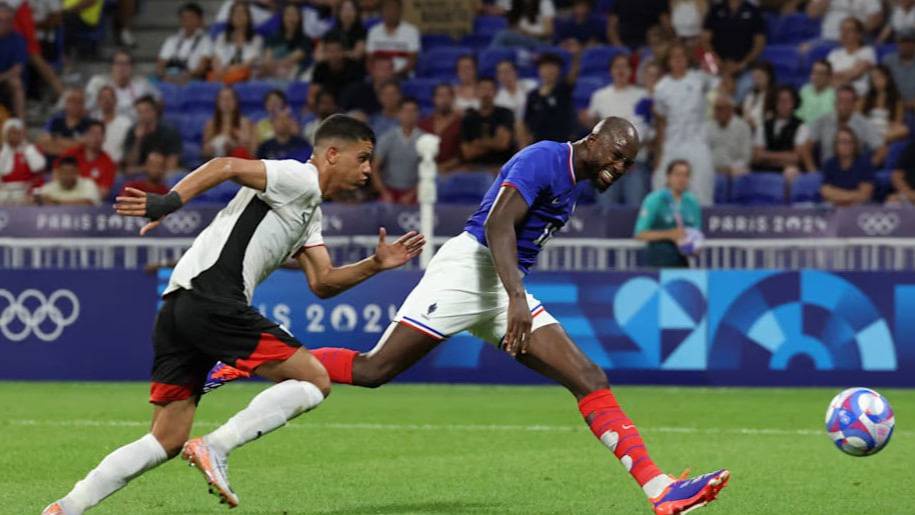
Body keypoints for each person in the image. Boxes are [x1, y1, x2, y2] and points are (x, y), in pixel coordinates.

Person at [210, 117, 730, 515]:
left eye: (628, 164)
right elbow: (500, 225)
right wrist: (518, 299)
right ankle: (247, 360)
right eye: (616, 156)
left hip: (501, 284)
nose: (619, 168)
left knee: (588, 378)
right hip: (470, 271)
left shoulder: (575, 178)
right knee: (373, 370)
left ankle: (660, 490)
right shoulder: (545, 158)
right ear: (593, 140)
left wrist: (514, 295)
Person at [41, 114, 426, 515]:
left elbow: (323, 282)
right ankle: (217, 446)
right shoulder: (298, 178)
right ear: (332, 154)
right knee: (315, 379)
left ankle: (67, 507)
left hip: (178, 306)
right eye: (362, 158)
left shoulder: (309, 211)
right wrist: (169, 201)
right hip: (213, 298)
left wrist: (374, 264)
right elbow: (225, 165)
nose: (368, 169)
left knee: (166, 438)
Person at [653, 44, 716, 205]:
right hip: (672, 143)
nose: (678, 60)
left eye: (681, 56)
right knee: (661, 187)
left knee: (701, 190)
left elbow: (719, 76)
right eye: (674, 57)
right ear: (668, 61)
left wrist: (707, 51)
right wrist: (659, 152)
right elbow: (660, 122)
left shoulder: (700, 79)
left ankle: (702, 220)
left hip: (697, 143)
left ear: (688, 59)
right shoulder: (661, 87)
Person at [586, 53, 650, 205]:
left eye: (624, 66)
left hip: (634, 163)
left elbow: (647, 129)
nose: (621, 70)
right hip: (607, 165)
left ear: (630, 71)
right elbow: (594, 128)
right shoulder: (600, 96)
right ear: (611, 70)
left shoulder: (642, 95)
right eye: (617, 67)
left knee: (635, 209)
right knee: (606, 210)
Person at [635, 159, 701, 268]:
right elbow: (640, 233)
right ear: (668, 176)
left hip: (683, 263)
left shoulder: (692, 201)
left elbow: (696, 232)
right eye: (677, 174)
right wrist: (669, 234)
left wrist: (695, 246)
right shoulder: (655, 199)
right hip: (657, 263)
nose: (681, 179)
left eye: (685, 175)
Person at [802, 85, 885, 170]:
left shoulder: (864, 123)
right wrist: (812, 170)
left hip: (853, 172)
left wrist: (865, 170)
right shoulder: (822, 121)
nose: (844, 105)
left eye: (848, 101)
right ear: (835, 103)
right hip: (827, 171)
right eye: (840, 100)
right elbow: (806, 148)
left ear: (854, 104)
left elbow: (881, 150)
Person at [701, 0, 766, 97]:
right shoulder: (715, 9)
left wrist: (742, 64)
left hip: (745, 68)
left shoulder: (754, 11)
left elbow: (759, 44)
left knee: (752, 86)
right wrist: (717, 61)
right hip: (717, 66)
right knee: (705, 87)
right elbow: (704, 41)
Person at [372, 97, 424, 203]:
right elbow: (374, 167)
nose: (409, 115)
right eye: (406, 111)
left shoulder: (424, 139)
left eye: (413, 111)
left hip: (415, 192)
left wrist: (413, 193)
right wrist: (384, 192)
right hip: (389, 191)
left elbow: (428, 172)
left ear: (418, 114)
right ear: (399, 114)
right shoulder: (387, 137)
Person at [86, 50, 160, 120]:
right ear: (112, 66)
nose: (122, 68)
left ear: (132, 67)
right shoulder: (98, 83)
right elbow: (87, 109)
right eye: (118, 63)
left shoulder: (142, 84)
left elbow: (159, 103)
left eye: (126, 64)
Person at [753, 86, 808, 178]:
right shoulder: (764, 126)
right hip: (764, 168)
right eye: (780, 100)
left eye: (787, 101)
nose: (783, 104)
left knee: (791, 172)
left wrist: (767, 156)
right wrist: (784, 157)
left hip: (788, 170)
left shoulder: (801, 126)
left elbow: (796, 158)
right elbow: (757, 156)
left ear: (794, 103)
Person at [461, 77, 516, 168]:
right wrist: (494, 142)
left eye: (490, 89)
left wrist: (477, 143)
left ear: (495, 92)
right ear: (476, 92)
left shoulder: (505, 114)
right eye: (482, 89)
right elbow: (467, 153)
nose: (486, 93)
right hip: (474, 168)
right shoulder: (468, 118)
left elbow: (503, 144)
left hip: (500, 166)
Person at [522, 53, 575, 145]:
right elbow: (527, 121)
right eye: (545, 67)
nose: (549, 71)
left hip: (561, 141)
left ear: (558, 70)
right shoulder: (533, 95)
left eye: (552, 67)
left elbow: (573, 76)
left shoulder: (564, 89)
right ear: (539, 70)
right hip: (539, 142)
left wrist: (576, 57)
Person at [156, 2, 213, 83]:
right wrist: (164, 75)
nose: (188, 21)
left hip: (193, 79)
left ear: (200, 20)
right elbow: (160, 65)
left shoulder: (206, 41)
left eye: (191, 17)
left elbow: (201, 68)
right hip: (170, 78)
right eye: (184, 18)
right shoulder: (172, 40)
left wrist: (185, 76)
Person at [123, 95, 183, 172]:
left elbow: (172, 165)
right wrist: (138, 140)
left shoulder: (169, 131)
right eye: (140, 112)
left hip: (165, 174)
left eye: (146, 111)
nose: (143, 115)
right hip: (142, 175)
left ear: (154, 111)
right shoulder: (133, 132)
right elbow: (130, 164)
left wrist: (148, 169)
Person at [59, 120, 117, 199]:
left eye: (99, 134)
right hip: (63, 196)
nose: (95, 137)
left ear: (104, 138)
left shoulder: (108, 162)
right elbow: (56, 175)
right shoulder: (70, 153)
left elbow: (103, 193)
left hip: (89, 203)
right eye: (92, 133)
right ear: (85, 136)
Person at [210, 1, 263, 84]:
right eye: (235, 13)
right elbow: (216, 58)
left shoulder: (256, 39)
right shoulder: (222, 36)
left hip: (244, 78)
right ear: (230, 18)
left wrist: (228, 70)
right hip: (221, 75)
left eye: (242, 13)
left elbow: (249, 62)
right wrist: (219, 71)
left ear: (248, 17)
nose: (239, 16)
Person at [819, 127, 875, 206]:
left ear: (855, 144)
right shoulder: (829, 164)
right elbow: (825, 192)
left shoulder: (865, 164)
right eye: (842, 142)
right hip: (835, 207)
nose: (846, 145)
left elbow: (864, 195)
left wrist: (837, 196)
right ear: (835, 145)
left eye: (850, 142)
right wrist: (852, 195)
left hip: (858, 208)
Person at [365, 0, 419, 77]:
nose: (391, 12)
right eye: (387, 8)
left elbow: (412, 61)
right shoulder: (373, 32)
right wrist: (375, 74)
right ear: (381, 12)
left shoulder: (411, 31)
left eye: (394, 8)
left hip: (402, 76)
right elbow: (369, 61)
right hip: (378, 77)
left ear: (400, 11)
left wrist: (393, 75)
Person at [37, 88, 94, 160]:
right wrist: (72, 144)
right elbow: (41, 141)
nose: (75, 104)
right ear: (66, 103)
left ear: (84, 104)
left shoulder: (90, 124)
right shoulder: (55, 120)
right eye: (72, 101)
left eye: (79, 101)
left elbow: (83, 147)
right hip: (51, 163)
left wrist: (54, 140)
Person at [418, 83, 463, 173]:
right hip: (426, 170)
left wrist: (443, 167)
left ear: (453, 99)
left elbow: (462, 155)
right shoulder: (423, 124)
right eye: (440, 96)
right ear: (434, 99)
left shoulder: (461, 124)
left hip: (453, 172)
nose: (444, 100)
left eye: (447, 96)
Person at [310, 34, 365, 107]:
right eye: (330, 51)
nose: (334, 55)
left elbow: (360, 93)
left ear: (343, 51)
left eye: (337, 50)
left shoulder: (355, 67)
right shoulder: (320, 68)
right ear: (325, 53)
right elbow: (313, 94)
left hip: (351, 106)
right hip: (328, 106)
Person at [0, 118, 45, 205]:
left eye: (17, 133)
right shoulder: (2, 152)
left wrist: (27, 150)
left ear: (22, 134)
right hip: (4, 192)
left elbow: (38, 168)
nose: (14, 136)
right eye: (11, 133)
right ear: (5, 134)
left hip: (25, 191)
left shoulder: (30, 150)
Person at [861, 64, 910, 143]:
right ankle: (877, 141)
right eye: (874, 78)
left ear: (887, 78)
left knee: (904, 129)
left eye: (880, 77)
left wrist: (891, 125)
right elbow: (859, 117)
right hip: (870, 128)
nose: (877, 81)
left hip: (886, 130)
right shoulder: (866, 97)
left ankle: (878, 141)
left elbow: (898, 121)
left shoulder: (896, 98)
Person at [203, 86, 256, 159]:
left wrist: (235, 145)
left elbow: (252, 151)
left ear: (236, 101)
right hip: (218, 160)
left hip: (239, 161)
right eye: (222, 99)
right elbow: (204, 151)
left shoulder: (245, 123)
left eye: (230, 98)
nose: (226, 102)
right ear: (217, 102)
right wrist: (210, 148)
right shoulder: (211, 123)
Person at [828, 17, 876, 96]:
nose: (844, 33)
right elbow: (826, 76)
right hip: (834, 93)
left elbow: (855, 74)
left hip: (857, 95)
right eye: (842, 30)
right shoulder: (834, 54)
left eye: (849, 30)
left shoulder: (867, 52)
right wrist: (843, 76)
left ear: (859, 35)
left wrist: (836, 76)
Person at [262, 3, 312, 81]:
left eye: (294, 15)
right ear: (283, 18)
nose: (290, 18)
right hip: (271, 73)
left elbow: (291, 59)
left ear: (300, 18)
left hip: (293, 76)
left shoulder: (305, 40)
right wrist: (268, 63)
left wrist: (274, 64)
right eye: (288, 15)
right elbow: (267, 58)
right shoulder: (272, 37)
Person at [706, 95, 752, 177]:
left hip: (734, 173)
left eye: (720, 108)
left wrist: (729, 169)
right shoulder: (708, 127)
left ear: (730, 109)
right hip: (711, 171)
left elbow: (746, 158)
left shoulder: (743, 127)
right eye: (715, 108)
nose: (716, 112)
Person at [34, 156, 101, 206]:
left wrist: (55, 202)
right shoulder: (48, 188)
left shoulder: (88, 184)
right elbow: (37, 202)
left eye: (71, 172)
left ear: (78, 172)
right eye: (64, 173)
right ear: (58, 173)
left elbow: (88, 204)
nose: (68, 176)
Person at [490, 0, 556, 50]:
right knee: (501, 36)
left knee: (502, 35)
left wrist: (527, 32)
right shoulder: (517, 3)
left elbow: (548, 31)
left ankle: (489, 57)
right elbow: (512, 26)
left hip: (540, 41)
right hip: (522, 39)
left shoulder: (544, 2)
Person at [93, 85, 133, 164]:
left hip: (118, 166)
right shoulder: (92, 123)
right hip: (95, 165)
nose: (106, 100)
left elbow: (129, 150)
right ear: (98, 101)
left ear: (116, 100)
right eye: (103, 97)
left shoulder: (126, 124)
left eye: (110, 97)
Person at [0, 2, 26, 119]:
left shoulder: (17, 39)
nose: (5, 24)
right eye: (1, 20)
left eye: (8, 20)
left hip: (5, 80)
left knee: (16, 83)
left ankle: (21, 122)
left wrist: (2, 77)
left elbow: (17, 69)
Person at [807, 0, 882, 41]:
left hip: (855, 40)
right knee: (805, 49)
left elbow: (875, 19)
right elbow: (812, 14)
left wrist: (856, 34)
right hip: (827, 37)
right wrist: (822, 3)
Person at [883, 29, 915, 111]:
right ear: (897, 44)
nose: (906, 45)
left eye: (909, 42)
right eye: (902, 42)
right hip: (892, 107)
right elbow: (882, 86)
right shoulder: (888, 61)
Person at [796, 60, 836, 124]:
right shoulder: (804, 90)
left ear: (829, 77)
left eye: (821, 73)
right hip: (803, 127)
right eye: (814, 72)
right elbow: (797, 115)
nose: (817, 76)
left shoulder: (835, 95)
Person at [740, 62, 776, 131]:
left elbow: (771, 121)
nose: (756, 81)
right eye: (754, 78)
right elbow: (745, 113)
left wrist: (755, 125)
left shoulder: (774, 96)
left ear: (769, 77)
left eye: (759, 77)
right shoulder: (750, 94)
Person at [889, 138, 915, 203]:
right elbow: (896, 175)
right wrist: (908, 193)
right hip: (909, 193)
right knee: (892, 200)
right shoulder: (912, 148)